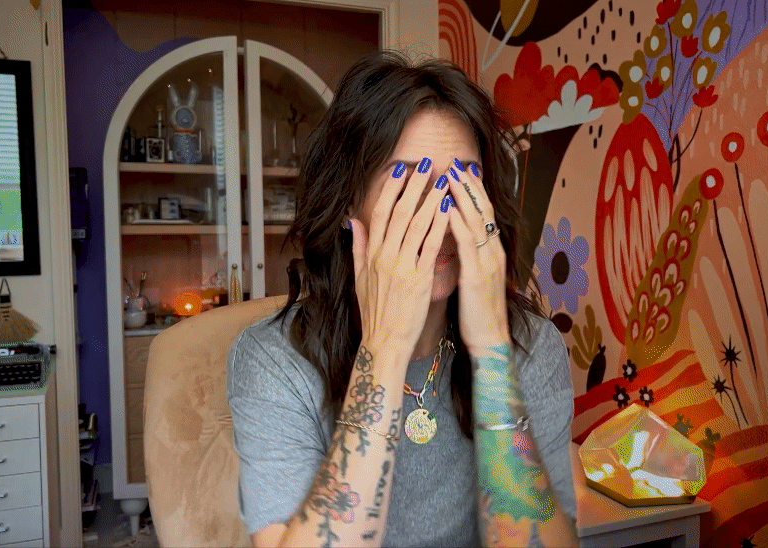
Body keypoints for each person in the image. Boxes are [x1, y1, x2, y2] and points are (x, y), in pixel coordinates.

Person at [228, 50, 578, 548]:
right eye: (411, 183)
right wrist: (385, 350)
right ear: (348, 201)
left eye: (464, 182)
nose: (442, 217)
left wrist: (492, 352)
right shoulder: (273, 360)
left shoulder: (532, 345)